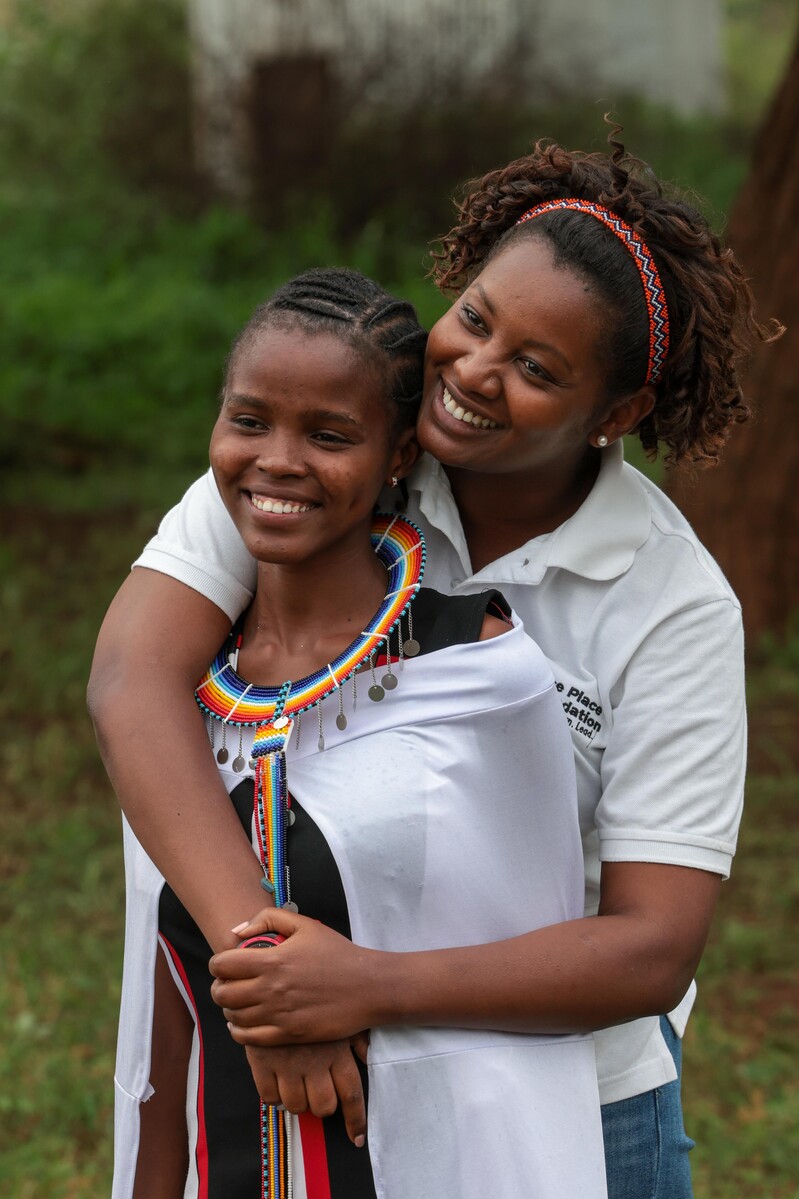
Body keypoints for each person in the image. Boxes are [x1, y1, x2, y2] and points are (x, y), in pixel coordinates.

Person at [90, 133, 778, 1199]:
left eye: (537, 369)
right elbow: (134, 682)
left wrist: (361, 986)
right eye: (475, 319)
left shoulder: (670, 604)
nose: (472, 374)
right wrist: (269, 976)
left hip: (576, 1099)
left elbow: (650, 947)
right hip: (326, 1084)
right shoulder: (336, 449)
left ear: (617, 415)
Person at [109, 268, 608, 1199]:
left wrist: (344, 994)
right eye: (248, 420)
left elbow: (533, 993)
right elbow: (164, 992)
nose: (277, 460)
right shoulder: (184, 702)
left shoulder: (484, 680)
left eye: (329, 435)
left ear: (396, 458)